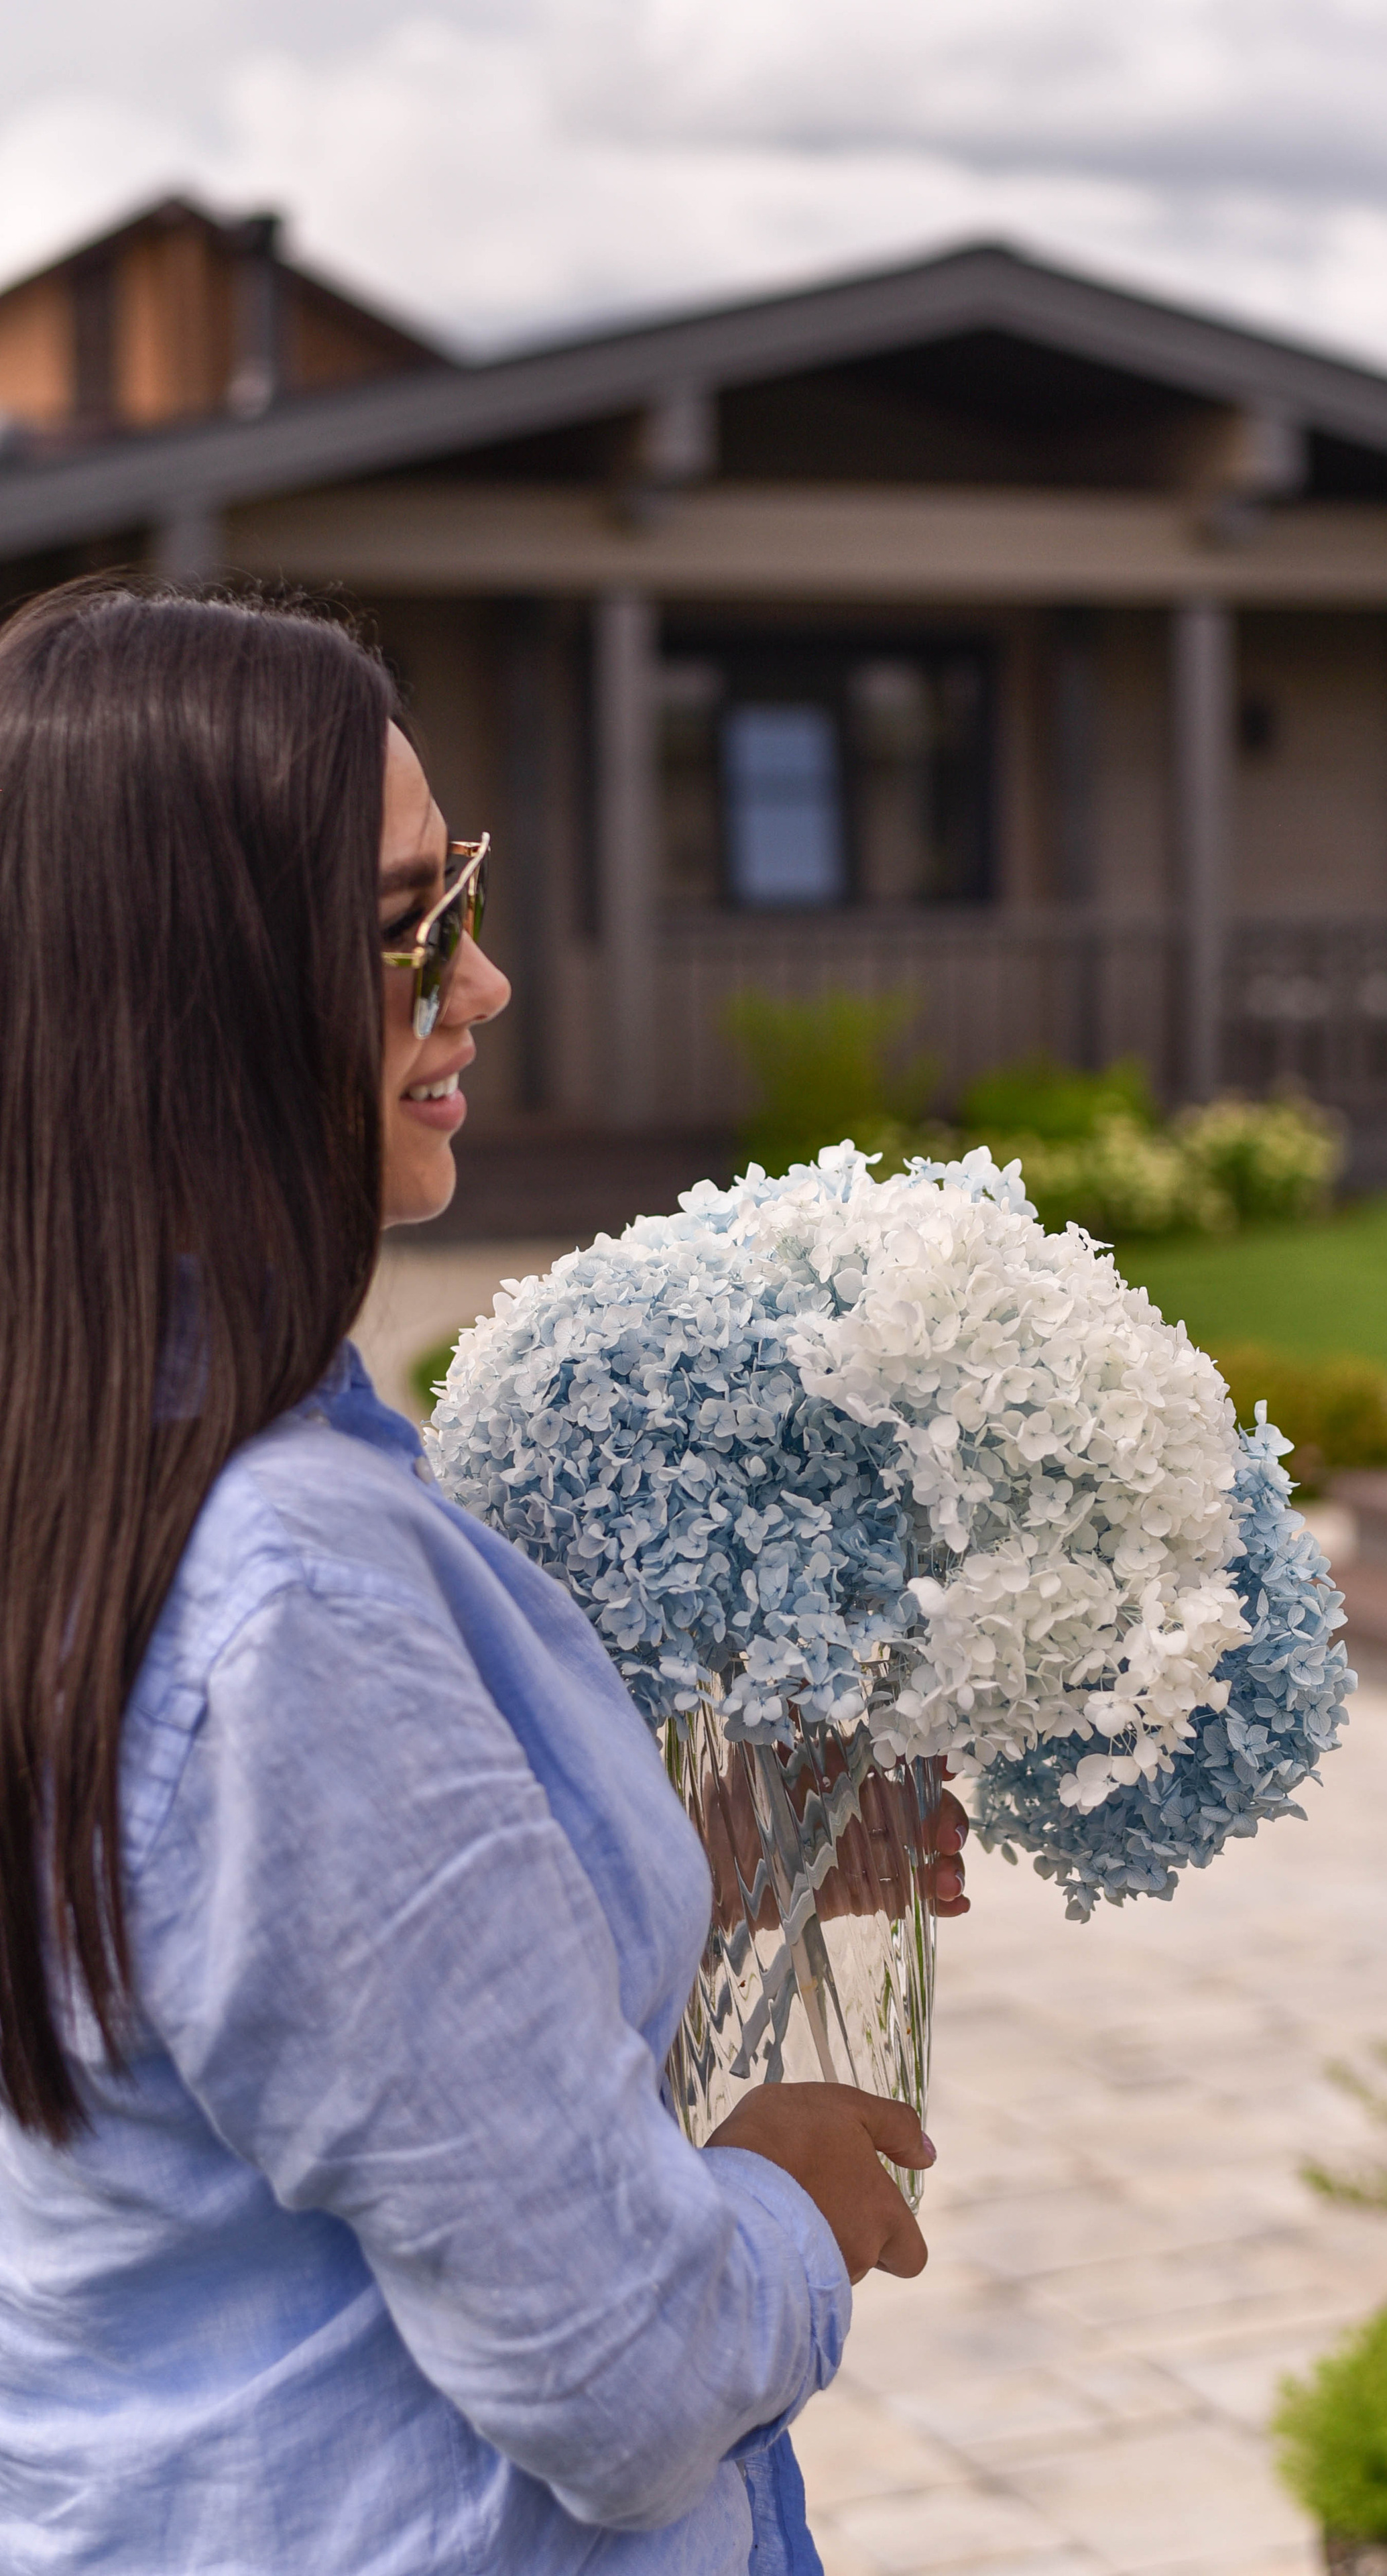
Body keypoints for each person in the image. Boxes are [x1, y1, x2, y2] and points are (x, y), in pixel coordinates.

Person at [0, 577, 968, 2574]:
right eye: (412, 924)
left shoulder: (93, 1472)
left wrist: (739, 1839)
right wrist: (784, 2193)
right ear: (194, 1000)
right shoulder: (286, 1591)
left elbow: (268, 1984)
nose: (487, 980)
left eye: (469, 890)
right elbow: (616, 2375)